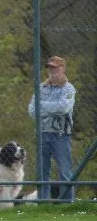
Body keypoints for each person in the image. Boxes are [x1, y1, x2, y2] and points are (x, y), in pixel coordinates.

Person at [27, 55, 76, 202]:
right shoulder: (41, 88)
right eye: (50, 67)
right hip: (42, 133)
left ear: (63, 68)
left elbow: (63, 108)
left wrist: (42, 105)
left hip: (61, 135)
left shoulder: (69, 88)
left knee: (65, 171)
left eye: (55, 67)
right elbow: (32, 111)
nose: (52, 70)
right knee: (42, 172)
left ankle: (67, 203)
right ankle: (42, 202)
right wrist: (52, 108)